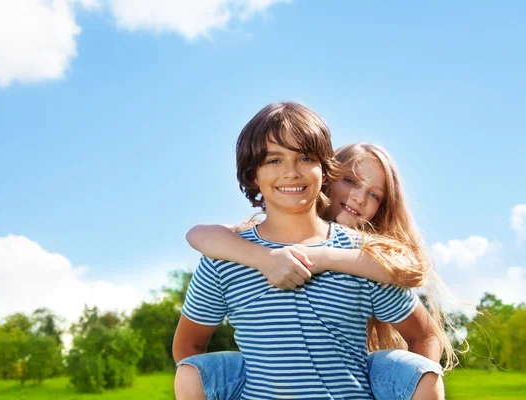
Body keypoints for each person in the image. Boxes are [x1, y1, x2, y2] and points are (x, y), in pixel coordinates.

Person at [172, 102, 444, 399]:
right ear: (253, 175)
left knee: (422, 372)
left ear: (325, 170)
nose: (291, 172)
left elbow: (423, 334)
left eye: (305, 158)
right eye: (274, 160)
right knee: (190, 372)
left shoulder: (362, 259)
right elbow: (189, 348)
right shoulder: (226, 259)